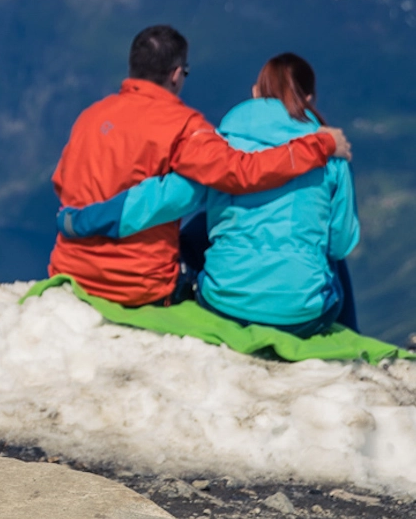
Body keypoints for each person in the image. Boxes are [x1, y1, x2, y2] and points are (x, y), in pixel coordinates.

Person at [57, 53, 360, 338]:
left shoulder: (221, 147)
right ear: (309, 99)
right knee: (332, 257)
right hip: (301, 316)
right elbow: (341, 242)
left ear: (255, 93)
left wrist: (82, 220)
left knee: (202, 223)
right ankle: (351, 341)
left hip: (224, 304)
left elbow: (158, 200)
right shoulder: (332, 155)